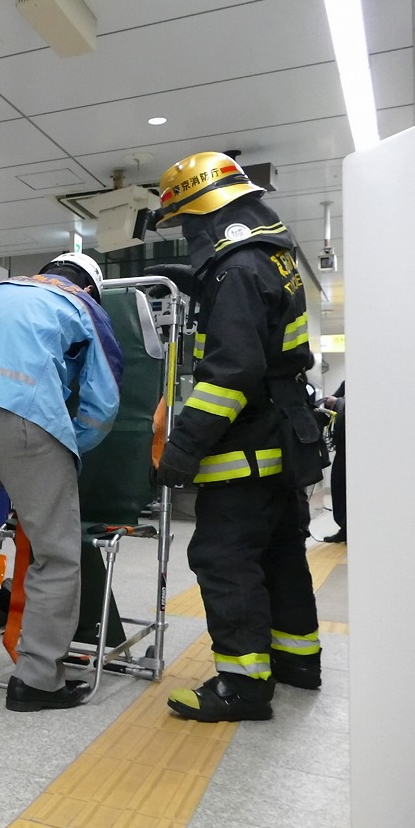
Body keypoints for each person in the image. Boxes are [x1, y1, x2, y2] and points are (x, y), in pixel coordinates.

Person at [150, 151, 328, 722]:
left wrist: (183, 448)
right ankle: (297, 662)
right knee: (280, 552)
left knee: (224, 557)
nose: (187, 233)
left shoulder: (235, 269)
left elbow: (230, 374)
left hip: (246, 443)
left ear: (204, 209)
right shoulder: (271, 258)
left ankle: (243, 686)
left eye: (185, 220)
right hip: (285, 435)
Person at [0, 251, 122, 713]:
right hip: (28, 415)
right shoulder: (83, 305)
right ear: (91, 286)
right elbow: (106, 396)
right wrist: (69, 443)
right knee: (55, 553)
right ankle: (37, 680)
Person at [322, 382, 346, 543]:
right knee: (338, 487)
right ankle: (345, 528)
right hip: (343, 446)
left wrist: (337, 402)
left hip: (360, 449)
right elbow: (331, 400)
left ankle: (351, 529)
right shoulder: (348, 382)